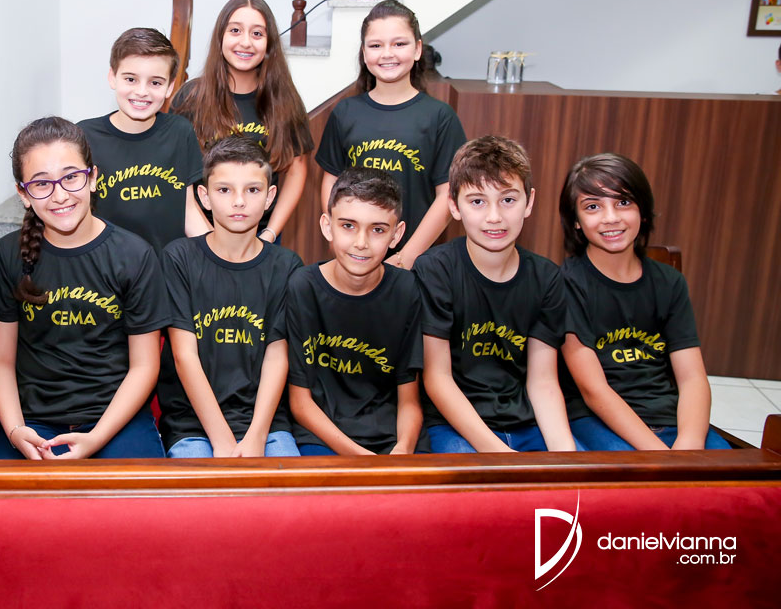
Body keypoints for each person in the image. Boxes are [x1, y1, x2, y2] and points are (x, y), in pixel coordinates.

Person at [0, 116, 170, 459]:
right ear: (23, 194)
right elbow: (0, 361)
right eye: (41, 184)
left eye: (71, 177)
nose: (59, 195)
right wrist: (15, 430)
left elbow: (144, 366)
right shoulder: (7, 255)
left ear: (93, 177)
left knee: (142, 495)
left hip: (116, 419)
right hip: (31, 422)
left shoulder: (134, 255)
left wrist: (97, 438)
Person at [413, 136, 576, 453]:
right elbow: (438, 378)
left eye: (508, 200)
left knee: (578, 475)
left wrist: (564, 455)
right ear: (454, 205)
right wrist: (501, 455)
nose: (494, 217)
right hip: (454, 426)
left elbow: (543, 382)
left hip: (525, 424)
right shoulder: (435, 271)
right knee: (480, 483)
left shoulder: (546, 278)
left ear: (529, 202)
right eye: (477, 202)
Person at [558, 153, 730, 451]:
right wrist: (661, 457)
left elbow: (692, 378)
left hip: (668, 415)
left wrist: (689, 444)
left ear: (644, 211)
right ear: (576, 221)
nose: (611, 217)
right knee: (640, 478)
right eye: (593, 206)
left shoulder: (670, 282)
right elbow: (593, 390)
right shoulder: (565, 283)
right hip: (597, 419)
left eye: (623, 202)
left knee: (727, 470)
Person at [158, 135, 303, 457]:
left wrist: (256, 437)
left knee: (286, 485)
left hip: (267, 425)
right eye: (224, 190)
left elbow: (277, 356)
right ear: (204, 196)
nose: (239, 202)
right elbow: (184, 356)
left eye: (252, 190)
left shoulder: (286, 265)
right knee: (202, 485)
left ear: (270, 197)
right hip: (192, 425)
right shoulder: (179, 258)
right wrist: (222, 440)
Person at [316, 0, 466, 270]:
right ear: (364, 53)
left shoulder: (440, 117)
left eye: (399, 44)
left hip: (417, 262)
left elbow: (447, 195)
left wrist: (407, 256)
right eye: (376, 45)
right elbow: (331, 181)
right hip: (354, 256)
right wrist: (340, 238)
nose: (387, 54)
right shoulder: (345, 112)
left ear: (417, 49)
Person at [287, 167, 423, 456]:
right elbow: (300, 403)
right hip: (321, 438)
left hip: (390, 438)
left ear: (396, 234)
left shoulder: (406, 289)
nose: (361, 242)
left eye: (378, 230)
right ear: (327, 226)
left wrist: (403, 450)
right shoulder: (302, 287)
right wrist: (362, 459)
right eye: (348, 226)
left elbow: (409, 399)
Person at [170, 0, 314, 242]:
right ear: (221, 37)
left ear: (269, 43)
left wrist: (270, 234)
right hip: (200, 235)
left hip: (261, 239)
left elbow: (296, 170)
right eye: (235, 30)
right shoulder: (190, 97)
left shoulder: (284, 100)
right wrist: (207, 239)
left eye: (257, 33)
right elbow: (176, 174)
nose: (246, 42)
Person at [78, 27, 209, 254]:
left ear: (169, 87)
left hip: (167, 266)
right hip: (108, 266)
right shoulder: (84, 136)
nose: (142, 91)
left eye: (155, 83)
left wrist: (219, 258)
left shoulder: (180, 132)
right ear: (112, 77)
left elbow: (188, 208)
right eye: (131, 79)